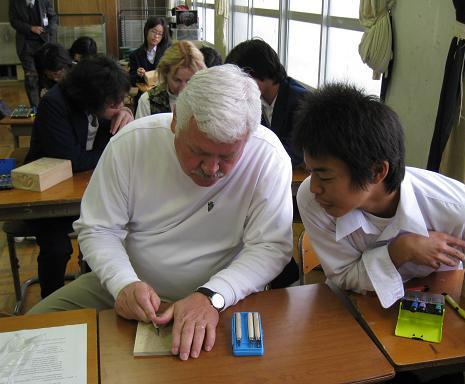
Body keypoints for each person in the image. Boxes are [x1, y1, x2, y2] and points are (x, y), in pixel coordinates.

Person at [29, 64, 294, 361]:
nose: (211, 169)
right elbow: (99, 228)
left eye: (228, 156)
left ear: (248, 136)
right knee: (25, 338)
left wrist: (212, 296)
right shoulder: (132, 143)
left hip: (225, 294)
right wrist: (122, 284)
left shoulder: (268, 157)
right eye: (199, 151)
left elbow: (270, 246)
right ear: (175, 122)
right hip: (131, 282)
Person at [295, 82, 465, 330]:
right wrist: (400, 250)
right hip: (361, 312)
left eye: (325, 177)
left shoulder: (452, 204)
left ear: (376, 171)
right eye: (310, 172)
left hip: (441, 309)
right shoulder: (313, 201)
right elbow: (344, 275)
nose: (314, 188)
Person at [24, 55, 133, 298]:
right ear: (92, 97)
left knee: (119, 234)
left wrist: (124, 114)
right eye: (114, 102)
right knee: (57, 249)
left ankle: (97, 287)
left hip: (87, 188)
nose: (119, 105)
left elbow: (106, 137)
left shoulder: (100, 105)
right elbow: (70, 160)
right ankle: (50, 298)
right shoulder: (54, 104)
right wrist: (116, 143)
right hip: (50, 194)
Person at [225, 38, 307, 166]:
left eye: (241, 79)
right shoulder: (255, 98)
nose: (237, 86)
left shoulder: (300, 100)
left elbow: (295, 152)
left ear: (259, 72)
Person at [135, 40, 206, 119]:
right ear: (165, 74)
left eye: (189, 81)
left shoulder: (204, 100)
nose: (183, 88)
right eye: (177, 80)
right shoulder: (148, 102)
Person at [9, 0, 57, 108]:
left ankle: (47, 107)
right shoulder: (14, 2)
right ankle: (35, 108)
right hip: (25, 45)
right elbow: (13, 21)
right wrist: (31, 28)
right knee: (31, 77)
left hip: (44, 44)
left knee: (44, 76)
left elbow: (53, 17)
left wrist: (49, 30)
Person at [129, 16, 170, 108]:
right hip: (143, 98)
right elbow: (131, 80)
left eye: (160, 34)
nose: (156, 36)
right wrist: (138, 74)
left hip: (163, 99)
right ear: (146, 31)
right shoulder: (135, 55)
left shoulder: (167, 52)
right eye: (154, 32)